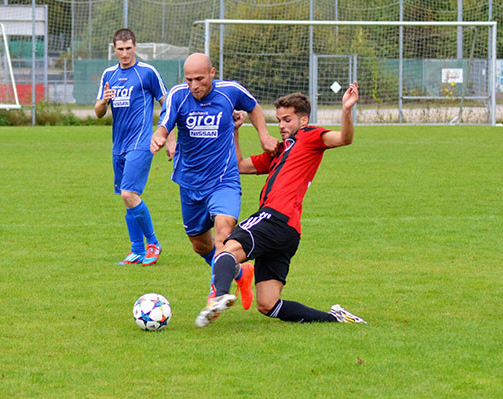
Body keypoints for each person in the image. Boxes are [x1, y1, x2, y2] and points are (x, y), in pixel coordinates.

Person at [195, 83, 367, 327]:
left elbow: (344, 138)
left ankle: (219, 296)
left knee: (225, 248)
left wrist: (347, 111)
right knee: (268, 304)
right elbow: (240, 165)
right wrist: (235, 131)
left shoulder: (310, 136)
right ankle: (335, 318)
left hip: (274, 217)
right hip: (288, 232)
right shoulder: (278, 150)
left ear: (303, 120)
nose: (282, 126)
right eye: (278, 120)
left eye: (287, 120)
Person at [150, 53, 278, 309]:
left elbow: (253, 106)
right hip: (190, 183)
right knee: (200, 245)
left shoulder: (230, 91)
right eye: (189, 80)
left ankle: (216, 293)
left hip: (223, 180)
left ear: (212, 73)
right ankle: (241, 274)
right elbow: (165, 122)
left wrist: (264, 135)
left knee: (223, 233)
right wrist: (160, 136)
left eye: (199, 78)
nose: (194, 85)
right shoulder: (178, 95)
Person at [95, 28, 170, 266]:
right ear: (114, 49)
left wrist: (167, 136)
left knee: (129, 193)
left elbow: (167, 104)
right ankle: (137, 249)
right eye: (120, 49)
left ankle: (153, 243)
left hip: (141, 142)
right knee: (127, 197)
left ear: (135, 46)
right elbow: (98, 113)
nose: (125, 53)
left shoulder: (147, 72)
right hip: (119, 144)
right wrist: (104, 101)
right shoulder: (109, 74)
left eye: (129, 48)